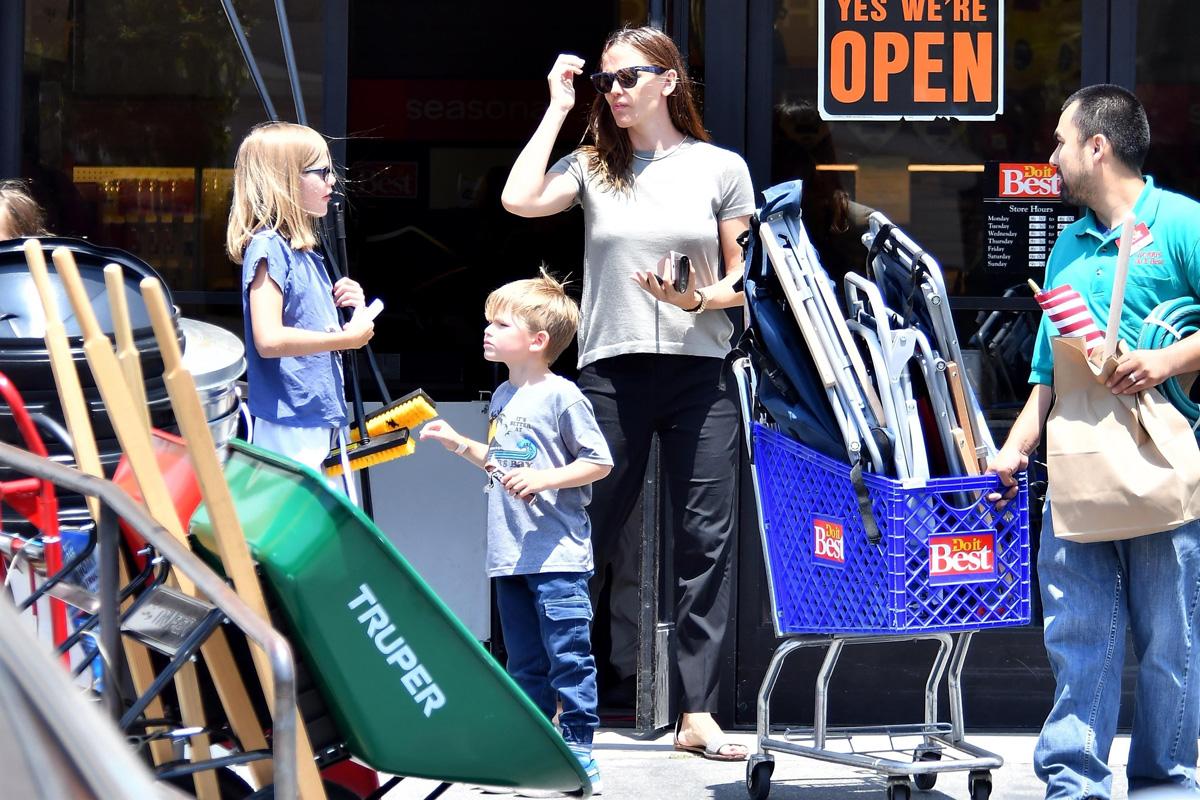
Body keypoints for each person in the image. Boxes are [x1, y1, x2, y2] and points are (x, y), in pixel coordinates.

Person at [500, 26, 754, 760]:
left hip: (699, 372)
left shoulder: (719, 167)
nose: (613, 90)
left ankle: (697, 712)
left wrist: (697, 300)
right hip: (610, 372)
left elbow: (745, 279)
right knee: (581, 536)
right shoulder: (592, 166)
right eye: (604, 81)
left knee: (705, 540)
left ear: (668, 82)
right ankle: (552, 697)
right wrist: (556, 105)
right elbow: (519, 198)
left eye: (627, 77)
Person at [987, 85, 1200, 799]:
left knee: (1173, 644)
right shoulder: (1067, 246)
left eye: (1059, 141)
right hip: (1076, 471)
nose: (1051, 157)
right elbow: (1047, 376)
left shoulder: (1183, 225)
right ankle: (1073, 781)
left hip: (1164, 472)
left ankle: (1164, 780)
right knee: (1079, 637)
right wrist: (1015, 448)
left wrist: (1167, 361)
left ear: (1097, 148)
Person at [419, 270, 613, 793]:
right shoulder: (504, 394)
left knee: (568, 657)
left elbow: (599, 460)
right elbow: (507, 463)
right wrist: (461, 444)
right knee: (523, 662)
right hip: (511, 557)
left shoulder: (562, 396)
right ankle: (531, 754)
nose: (486, 331)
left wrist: (547, 478)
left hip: (558, 558)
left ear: (537, 341)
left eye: (499, 323)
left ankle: (578, 750)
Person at [226, 122, 374, 472]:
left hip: (311, 417)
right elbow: (269, 338)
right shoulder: (268, 247)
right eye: (322, 172)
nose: (332, 181)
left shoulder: (302, 251)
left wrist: (351, 306)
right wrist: (344, 339)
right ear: (285, 179)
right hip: (290, 424)